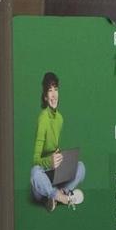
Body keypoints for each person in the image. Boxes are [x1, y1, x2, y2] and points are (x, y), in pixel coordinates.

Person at [30, 71, 87, 210]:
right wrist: (50, 161)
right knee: (34, 173)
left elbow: (53, 147)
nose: (54, 94)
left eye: (56, 90)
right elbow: (36, 158)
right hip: (43, 177)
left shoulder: (60, 119)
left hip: (54, 173)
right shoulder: (43, 119)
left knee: (81, 167)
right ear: (45, 97)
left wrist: (60, 157)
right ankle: (61, 196)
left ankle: (56, 197)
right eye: (50, 91)